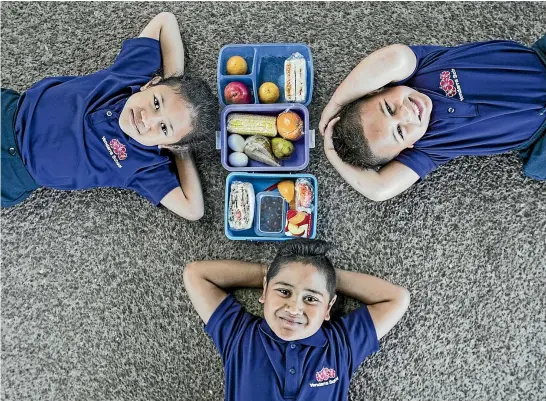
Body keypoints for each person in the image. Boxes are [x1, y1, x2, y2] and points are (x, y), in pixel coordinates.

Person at [1, 12, 218, 220]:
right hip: (10, 111)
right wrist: (173, 81)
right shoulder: (132, 74)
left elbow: (193, 209)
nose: (147, 119)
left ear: (170, 144)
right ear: (151, 84)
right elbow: (165, 21)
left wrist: (180, 150)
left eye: (164, 128)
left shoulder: (147, 166)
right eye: (156, 102)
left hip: (12, 174)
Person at [319, 35, 546, 202]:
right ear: (407, 148)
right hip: (540, 134)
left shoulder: (418, 68)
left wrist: (336, 103)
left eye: (389, 108)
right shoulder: (428, 149)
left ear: (377, 90)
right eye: (399, 132)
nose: (406, 114)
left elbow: (392, 57)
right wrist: (331, 154)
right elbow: (379, 189)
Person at [183, 239, 410, 401]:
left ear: (328, 308)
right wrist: (271, 272)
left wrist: (325, 277)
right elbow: (196, 274)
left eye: (311, 298)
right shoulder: (238, 334)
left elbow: (397, 298)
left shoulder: (342, 344)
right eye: (283, 291)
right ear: (265, 291)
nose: (294, 308)